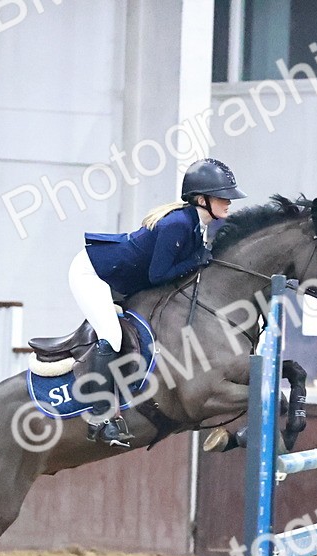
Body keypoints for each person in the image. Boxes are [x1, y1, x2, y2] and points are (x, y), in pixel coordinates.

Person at [70, 158, 246, 447]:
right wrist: (196, 260)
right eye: (222, 196)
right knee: (111, 335)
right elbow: (158, 274)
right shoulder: (177, 224)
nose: (229, 202)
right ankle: (99, 418)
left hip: (118, 277)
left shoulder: (195, 226)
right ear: (202, 199)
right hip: (92, 273)